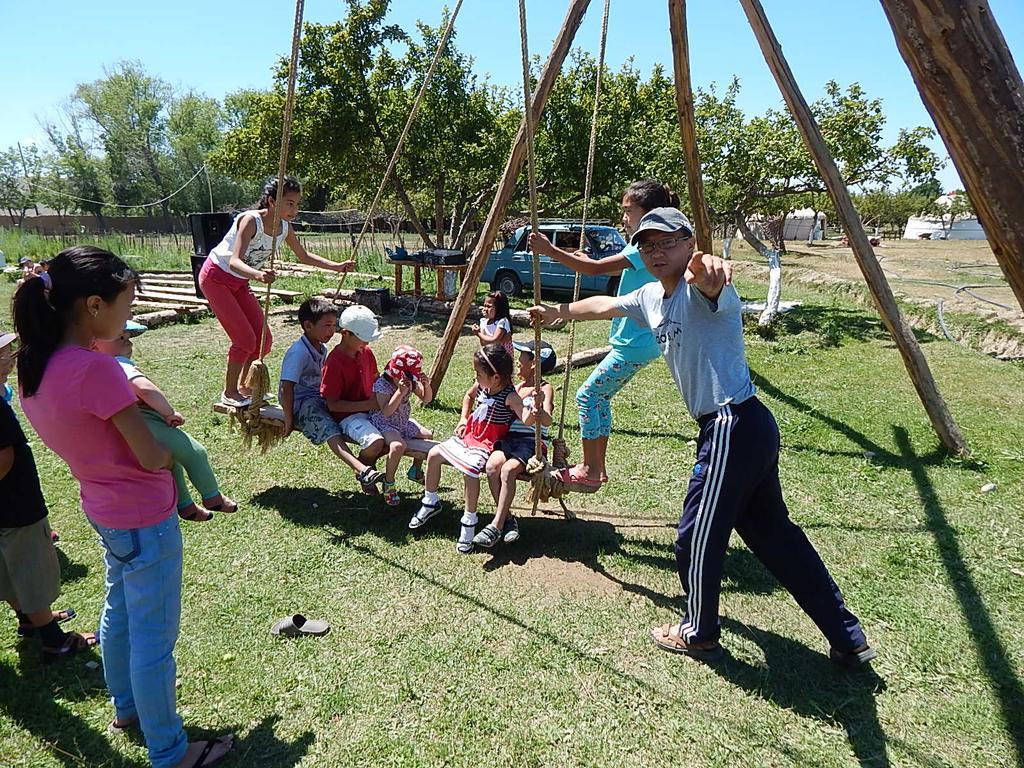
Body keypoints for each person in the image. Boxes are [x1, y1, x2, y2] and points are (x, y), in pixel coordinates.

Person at [530, 208, 875, 666]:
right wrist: (555, 312)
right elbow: (604, 306)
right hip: (744, 427)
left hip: (732, 425)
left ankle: (698, 632)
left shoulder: (702, 290)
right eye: (647, 244)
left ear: (690, 243)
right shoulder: (651, 295)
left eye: (667, 242)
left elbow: (714, 282)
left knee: (696, 536)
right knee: (774, 536)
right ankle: (848, 636)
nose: (656, 252)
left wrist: (713, 274)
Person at [14, 248, 234, 767]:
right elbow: (151, 454)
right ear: (93, 305)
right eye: (126, 302)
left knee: (119, 611)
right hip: (144, 517)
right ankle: (169, 751)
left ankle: (128, 708)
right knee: (154, 640)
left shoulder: (33, 368)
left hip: (102, 507)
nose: (128, 315)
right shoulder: (97, 369)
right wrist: (168, 447)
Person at [528, 179, 677, 487]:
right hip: (637, 341)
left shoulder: (644, 245)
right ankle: (595, 467)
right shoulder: (641, 246)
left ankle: (591, 470)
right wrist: (583, 260)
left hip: (636, 343)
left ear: (648, 212)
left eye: (628, 211)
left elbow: (595, 271)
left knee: (588, 396)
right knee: (599, 397)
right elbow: (606, 267)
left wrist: (549, 250)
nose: (623, 218)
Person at [200, 175, 356, 408]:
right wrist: (258, 275)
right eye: (290, 203)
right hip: (217, 278)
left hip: (240, 282)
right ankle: (229, 392)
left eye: (297, 204)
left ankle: (246, 387)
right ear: (272, 201)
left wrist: (336, 266)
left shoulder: (284, 227)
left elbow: (303, 256)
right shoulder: (250, 221)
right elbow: (234, 261)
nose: (295, 209)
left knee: (264, 340)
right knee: (244, 339)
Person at [1, 328, 89, 662]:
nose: (9, 356)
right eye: (2, 353)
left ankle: (29, 619)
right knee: (31, 569)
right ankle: (54, 640)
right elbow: (4, 458)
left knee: (8, 568)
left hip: (6, 508)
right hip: (18, 505)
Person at [93, 321, 237, 523]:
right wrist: (168, 412)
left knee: (170, 464)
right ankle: (212, 496)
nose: (129, 342)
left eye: (128, 338)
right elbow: (144, 389)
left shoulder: (96, 367)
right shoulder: (118, 363)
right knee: (193, 451)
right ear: (95, 345)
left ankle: (186, 506)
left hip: (124, 427)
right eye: (121, 338)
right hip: (145, 422)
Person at [408, 344, 531, 554]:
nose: (476, 377)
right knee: (435, 453)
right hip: (470, 435)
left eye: (479, 373)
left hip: (486, 443)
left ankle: (469, 521)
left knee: (470, 469)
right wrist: (464, 418)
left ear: (496, 377)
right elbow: (468, 396)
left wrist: (533, 410)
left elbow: (526, 419)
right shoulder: (483, 385)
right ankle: (430, 501)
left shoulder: (510, 396)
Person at [280, 298, 385, 491]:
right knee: (329, 427)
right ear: (308, 326)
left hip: (318, 397)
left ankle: (365, 467)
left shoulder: (321, 347)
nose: (332, 331)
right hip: (301, 402)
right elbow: (286, 388)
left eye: (333, 325)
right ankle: (360, 468)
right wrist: (288, 418)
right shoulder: (298, 352)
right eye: (327, 326)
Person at [475, 340, 555, 548]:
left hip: (531, 442)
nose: (517, 362)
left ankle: (495, 525)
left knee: (508, 470)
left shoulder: (545, 388)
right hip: (510, 438)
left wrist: (539, 409)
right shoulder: (516, 387)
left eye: (522, 358)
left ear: (534, 363)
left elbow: (547, 421)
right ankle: (508, 520)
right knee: (492, 467)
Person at [320, 305, 388, 494]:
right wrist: (368, 404)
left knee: (396, 435)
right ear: (345, 333)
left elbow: (376, 379)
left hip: (370, 410)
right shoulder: (334, 362)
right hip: (347, 416)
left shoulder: (365, 352)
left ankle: (367, 464)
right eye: (363, 338)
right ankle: (364, 472)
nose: (366, 343)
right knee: (375, 442)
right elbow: (332, 405)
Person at [369, 345, 434, 506]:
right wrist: (399, 392)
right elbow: (386, 412)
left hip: (402, 422)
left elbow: (426, 400)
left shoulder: (410, 381)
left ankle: (415, 470)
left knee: (428, 436)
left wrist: (426, 386)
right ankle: (389, 483)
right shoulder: (382, 385)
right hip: (385, 423)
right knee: (398, 445)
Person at [474, 290, 513, 356]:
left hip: (503, 358)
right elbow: (483, 343)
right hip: (491, 355)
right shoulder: (484, 321)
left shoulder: (503, 322)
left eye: (489, 306)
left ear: (499, 308)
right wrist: (481, 326)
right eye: (484, 306)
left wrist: (478, 333)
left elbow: (495, 340)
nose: (485, 309)